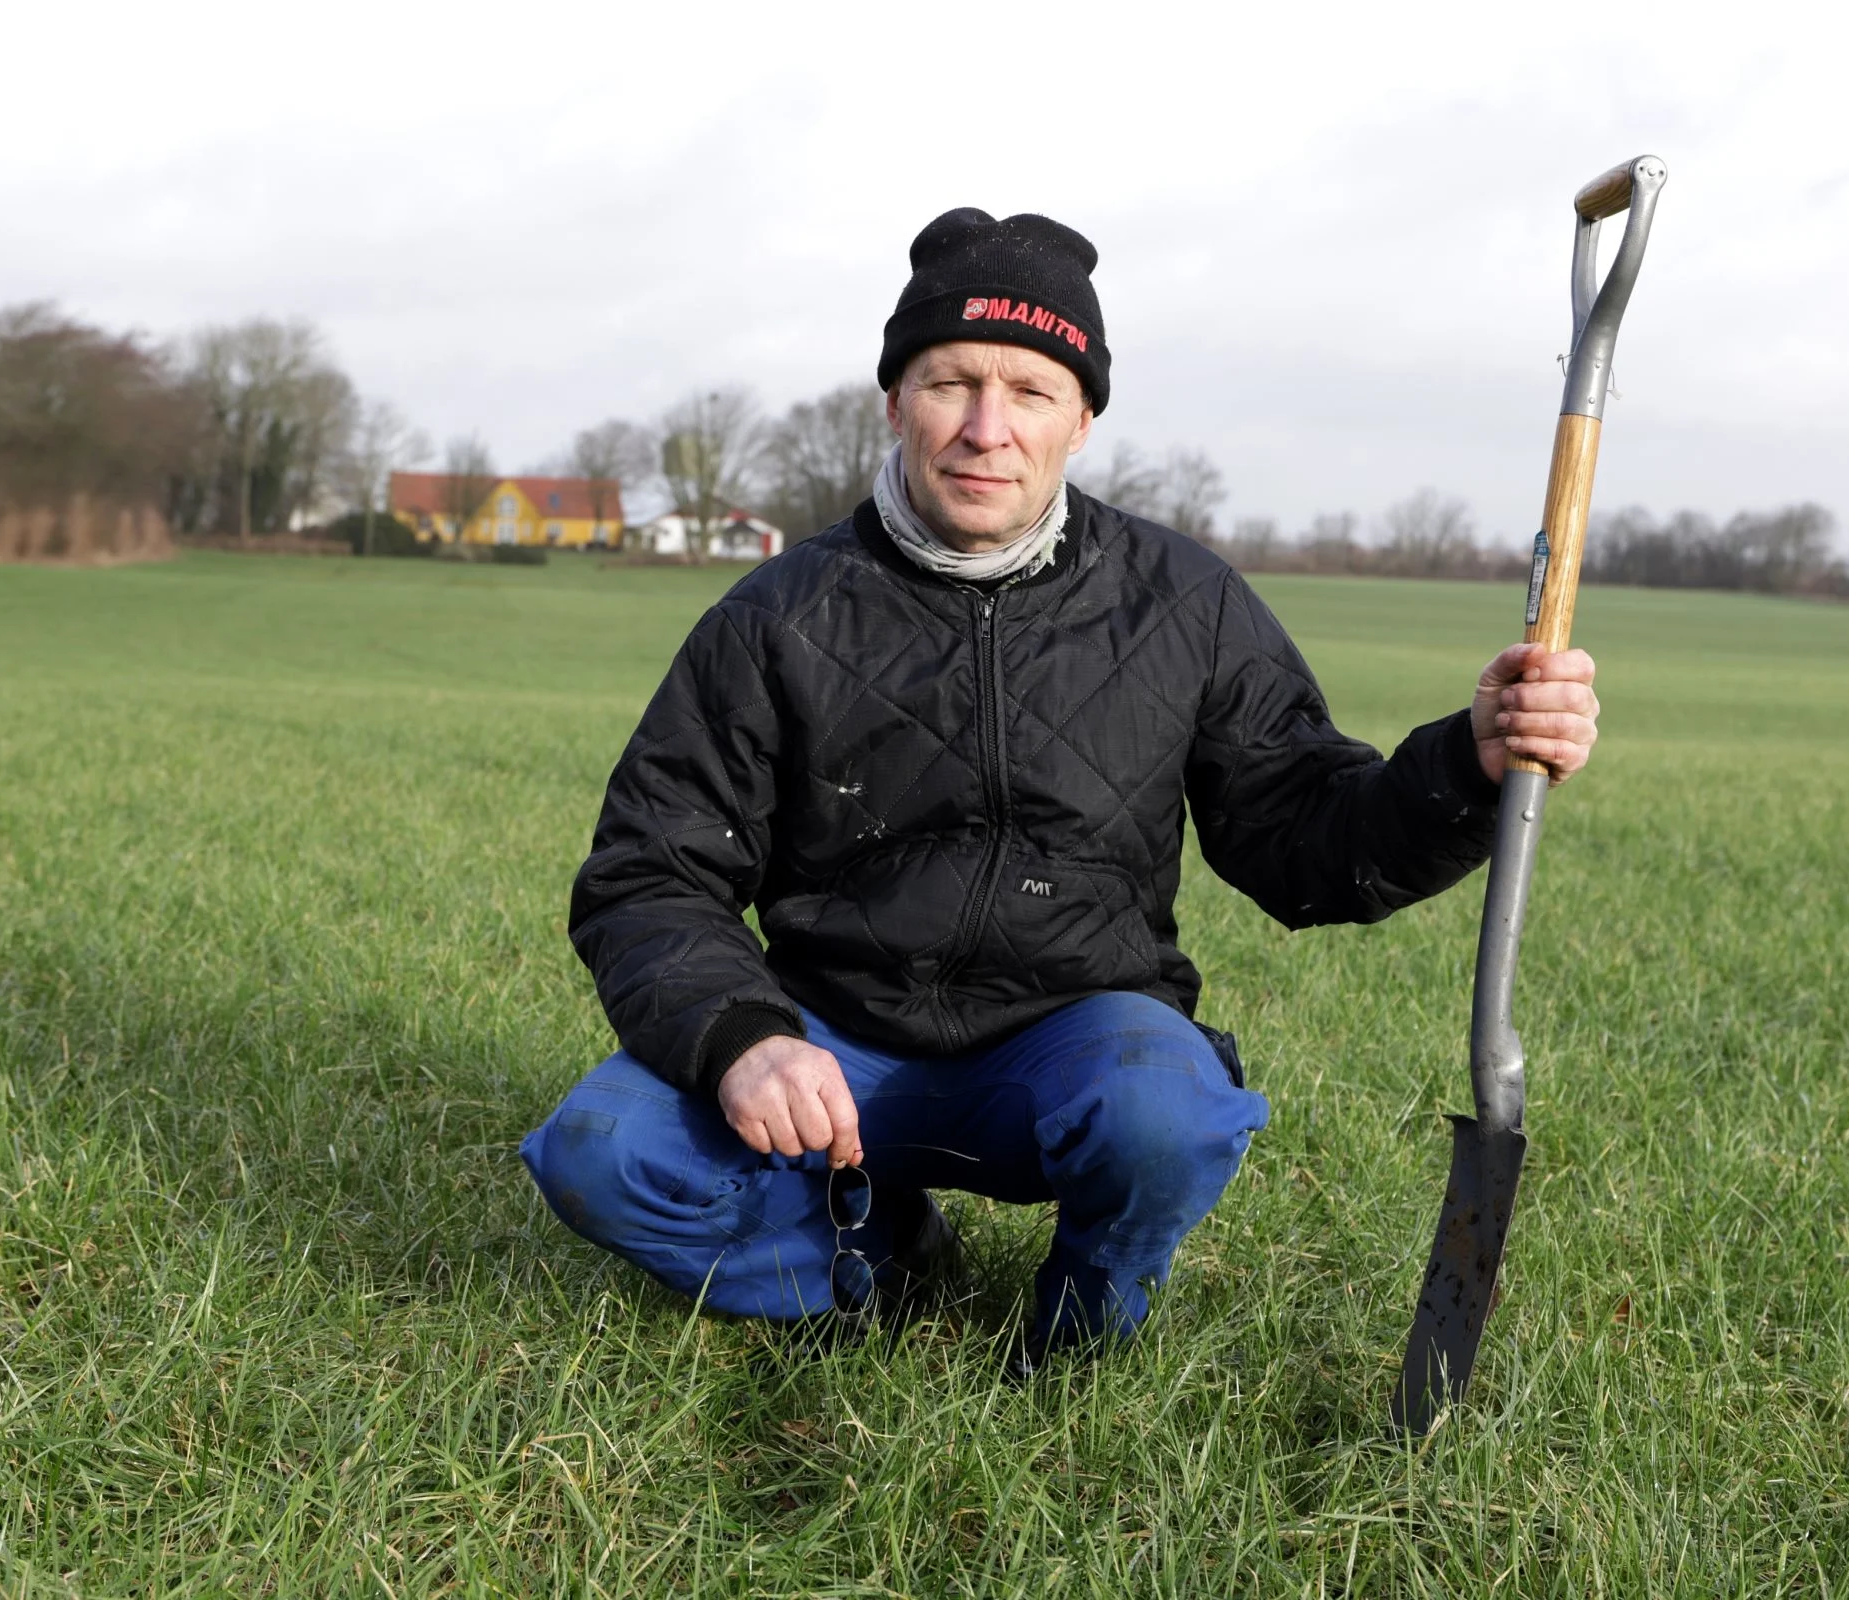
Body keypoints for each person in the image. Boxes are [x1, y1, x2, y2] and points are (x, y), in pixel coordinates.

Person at [522, 208, 1599, 1369]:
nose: (987, 429)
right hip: (838, 1050)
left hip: (1070, 1040)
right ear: (895, 402)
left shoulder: (1182, 604)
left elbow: (1305, 836)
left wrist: (1469, 759)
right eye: (951, 383)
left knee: (1165, 1109)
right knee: (601, 1147)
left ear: (1081, 420)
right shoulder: (775, 618)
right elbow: (649, 874)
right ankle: (866, 1253)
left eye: (1031, 393)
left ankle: (1085, 1324)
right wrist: (744, 1041)